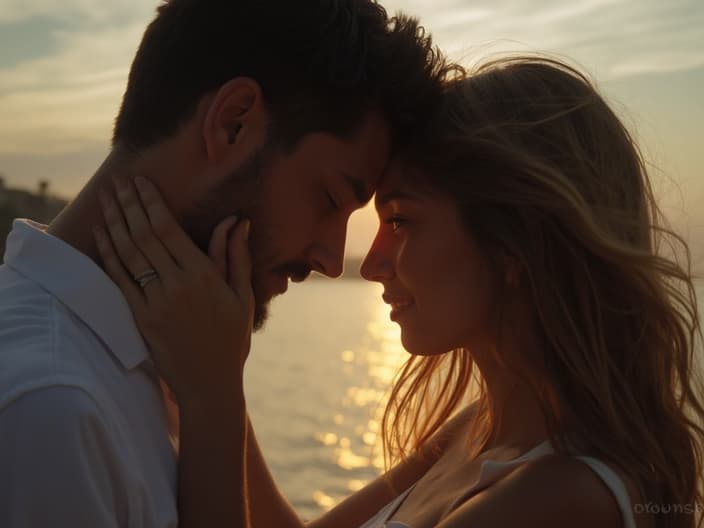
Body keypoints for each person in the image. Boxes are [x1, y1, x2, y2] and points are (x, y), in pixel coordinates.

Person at [96, 55, 704, 528]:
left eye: (403, 221)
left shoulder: (562, 497)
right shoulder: (479, 432)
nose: (374, 262)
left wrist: (213, 401)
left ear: (515, 245)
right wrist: (214, 374)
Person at [0, 1, 455, 526]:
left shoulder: (142, 370)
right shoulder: (50, 409)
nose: (332, 259)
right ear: (233, 123)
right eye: (329, 200)